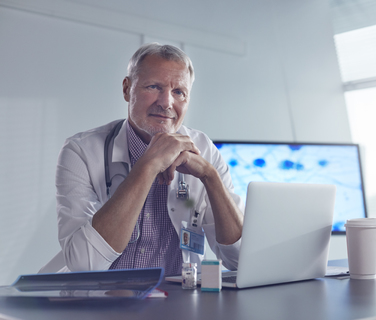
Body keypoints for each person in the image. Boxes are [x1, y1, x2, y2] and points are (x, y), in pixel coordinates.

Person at [40, 43, 244, 276]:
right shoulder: (81, 151)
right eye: (154, 87)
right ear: (127, 89)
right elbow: (84, 264)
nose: (166, 102)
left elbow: (239, 259)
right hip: (100, 303)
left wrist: (210, 177)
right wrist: (148, 165)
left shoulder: (204, 149)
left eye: (179, 92)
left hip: (178, 303)